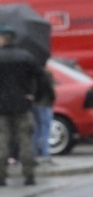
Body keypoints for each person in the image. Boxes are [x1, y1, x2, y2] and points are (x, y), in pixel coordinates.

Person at [0, 25, 47, 187]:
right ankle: (29, 175)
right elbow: (42, 78)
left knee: (2, 140)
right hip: (23, 104)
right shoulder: (26, 56)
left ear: (3, 38)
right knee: (25, 140)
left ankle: (1, 176)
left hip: (2, 106)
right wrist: (35, 95)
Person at [33, 66, 56, 164]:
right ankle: (45, 155)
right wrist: (52, 99)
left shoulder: (31, 71)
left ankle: (34, 155)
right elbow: (51, 88)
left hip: (33, 104)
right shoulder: (46, 72)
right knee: (45, 130)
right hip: (45, 103)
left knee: (36, 130)